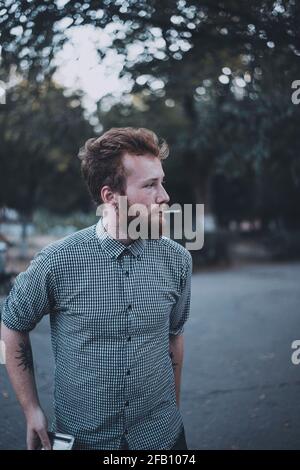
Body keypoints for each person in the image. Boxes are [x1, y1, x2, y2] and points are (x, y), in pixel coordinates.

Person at [1, 127, 192, 450]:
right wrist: (31, 410)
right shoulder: (56, 262)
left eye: (161, 181)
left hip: (163, 439)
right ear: (110, 197)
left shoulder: (177, 260)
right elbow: (11, 326)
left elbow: (174, 335)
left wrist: (171, 409)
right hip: (84, 441)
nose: (165, 197)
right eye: (150, 185)